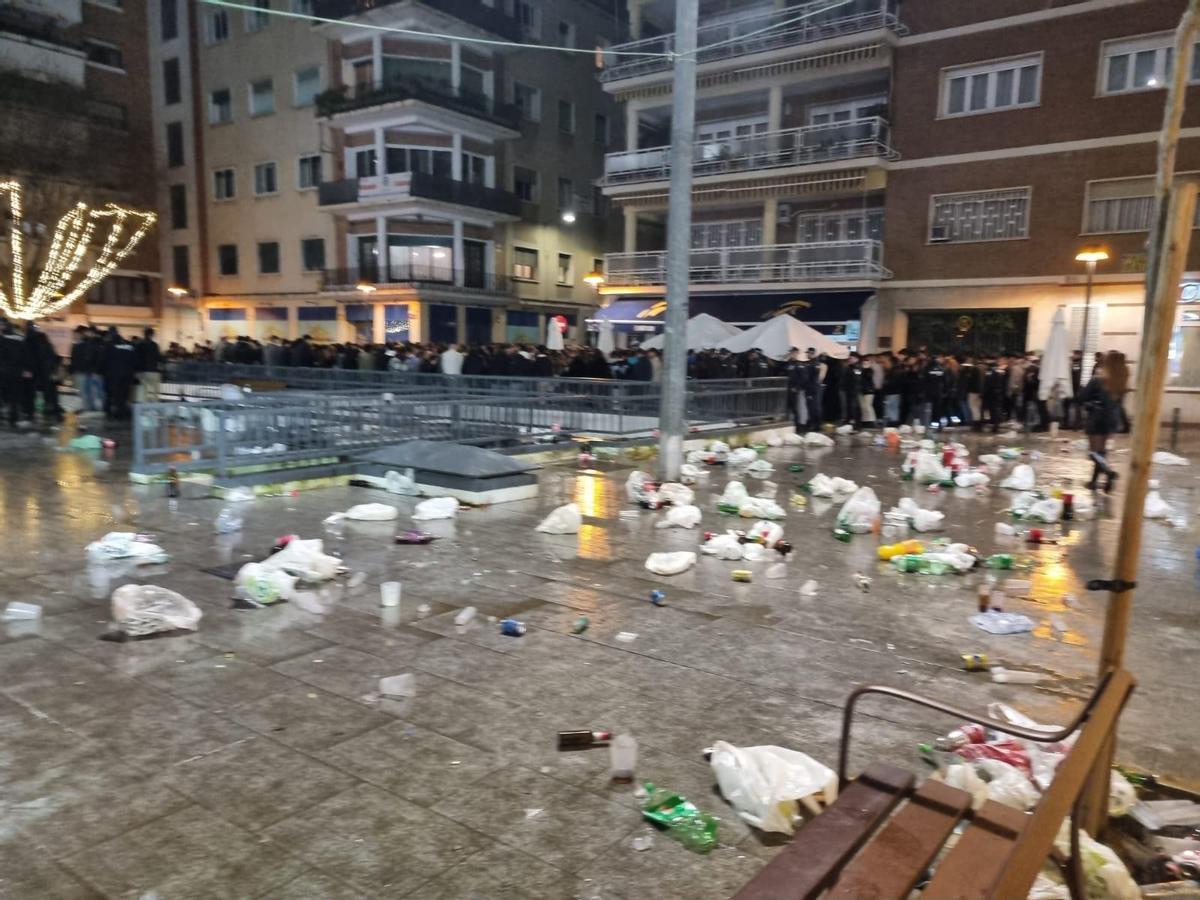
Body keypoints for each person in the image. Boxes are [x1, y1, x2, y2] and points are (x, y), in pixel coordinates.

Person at [1078, 350, 1127, 493]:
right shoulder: (1121, 381)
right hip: (1111, 420)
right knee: (1101, 452)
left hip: (1096, 418)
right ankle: (1095, 482)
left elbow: (1081, 397)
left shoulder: (1098, 379)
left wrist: (1090, 403)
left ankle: (1109, 473)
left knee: (1093, 453)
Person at [102, 327, 137, 420]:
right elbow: (134, 361)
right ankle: (122, 412)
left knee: (112, 395)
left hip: (112, 375)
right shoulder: (128, 345)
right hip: (127, 375)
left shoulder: (108, 346)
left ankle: (111, 413)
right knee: (124, 395)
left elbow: (104, 361)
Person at [135, 327, 162, 403]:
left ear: (144, 334)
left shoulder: (139, 345)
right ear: (152, 335)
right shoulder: (155, 345)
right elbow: (159, 358)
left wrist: (136, 371)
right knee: (155, 392)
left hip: (142, 371)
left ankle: (144, 409)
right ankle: (155, 408)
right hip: (154, 371)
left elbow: (136, 358)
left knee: (144, 392)